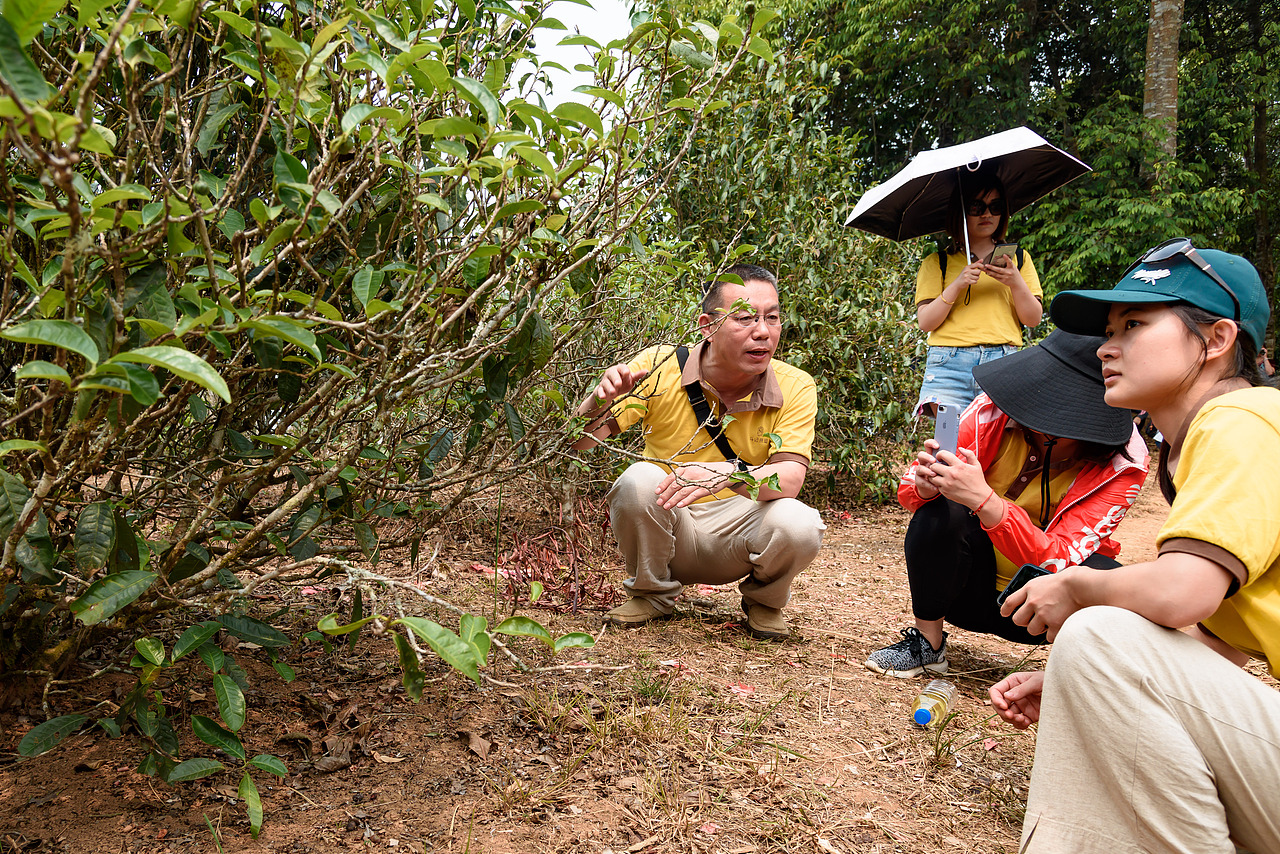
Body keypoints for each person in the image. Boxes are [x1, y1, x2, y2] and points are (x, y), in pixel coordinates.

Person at [989, 241, 1279, 854]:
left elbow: (1180, 594)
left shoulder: (1244, 420)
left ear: (1218, 339)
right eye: (1110, 329)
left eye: (1135, 324)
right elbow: (1221, 643)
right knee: (1094, 647)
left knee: (1098, 632)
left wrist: (1076, 587)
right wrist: (1078, 680)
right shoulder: (1216, 437)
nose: (1105, 347)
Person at [865, 330, 1149, 677]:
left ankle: (1070, 673)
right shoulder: (991, 413)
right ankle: (928, 643)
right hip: (964, 589)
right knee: (942, 510)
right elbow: (911, 492)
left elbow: (1061, 558)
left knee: (1105, 576)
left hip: (1037, 610)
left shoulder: (1125, 462)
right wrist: (926, 487)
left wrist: (987, 501)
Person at [571, 264, 825, 640]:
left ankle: (764, 602)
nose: (762, 332)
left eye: (772, 318)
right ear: (708, 326)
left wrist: (723, 474)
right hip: (670, 523)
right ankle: (651, 593)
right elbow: (582, 441)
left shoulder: (795, 385)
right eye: (745, 318)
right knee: (638, 478)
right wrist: (597, 401)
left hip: (740, 533)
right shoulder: (659, 367)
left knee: (799, 522)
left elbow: (788, 479)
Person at [913, 169, 1044, 417]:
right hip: (948, 363)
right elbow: (926, 321)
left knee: (997, 451)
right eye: (976, 207)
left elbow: (1033, 319)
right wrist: (958, 284)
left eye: (995, 206)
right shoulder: (937, 262)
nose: (987, 214)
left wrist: (1015, 281)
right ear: (960, 212)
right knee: (950, 447)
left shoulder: (1018, 259)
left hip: (1003, 362)